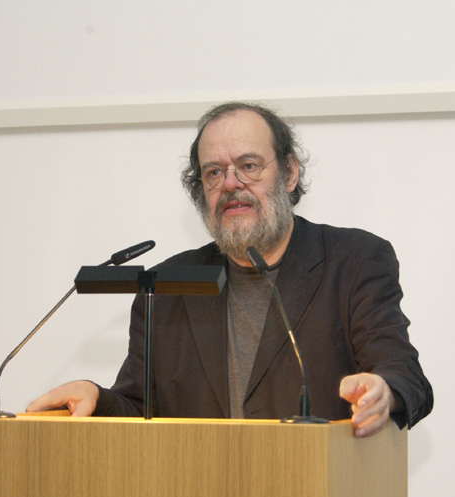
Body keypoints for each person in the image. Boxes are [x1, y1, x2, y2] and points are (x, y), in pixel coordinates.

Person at [28, 102, 433, 437]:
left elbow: (406, 376)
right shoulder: (168, 284)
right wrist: (96, 397)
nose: (231, 183)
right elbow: (139, 409)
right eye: (214, 172)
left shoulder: (355, 259)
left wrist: (384, 391)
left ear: (289, 173)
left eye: (249, 166)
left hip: (317, 493)